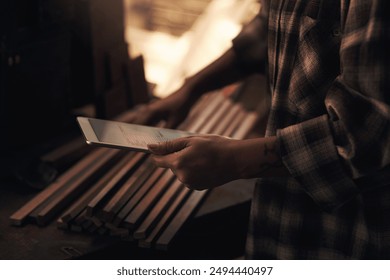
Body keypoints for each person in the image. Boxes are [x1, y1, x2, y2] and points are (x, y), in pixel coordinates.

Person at [129, 0, 390, 259]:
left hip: (348, 238)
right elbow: (268, 28)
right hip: (279, 227)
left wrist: (233, 159)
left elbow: (370, 136)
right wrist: (191, 88)